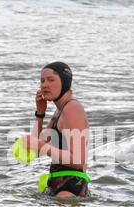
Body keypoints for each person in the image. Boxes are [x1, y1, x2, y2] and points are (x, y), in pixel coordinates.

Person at [22, 62, 90, 199]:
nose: (44, 85)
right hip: (57, 183)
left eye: (51, 80)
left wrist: (40, 146)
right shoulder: (59, 111)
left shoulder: (72, 108)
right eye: (42, 80)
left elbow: (77, 160)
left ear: (65, 82)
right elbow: (34, 148)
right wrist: (40, 114)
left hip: (70, 187)